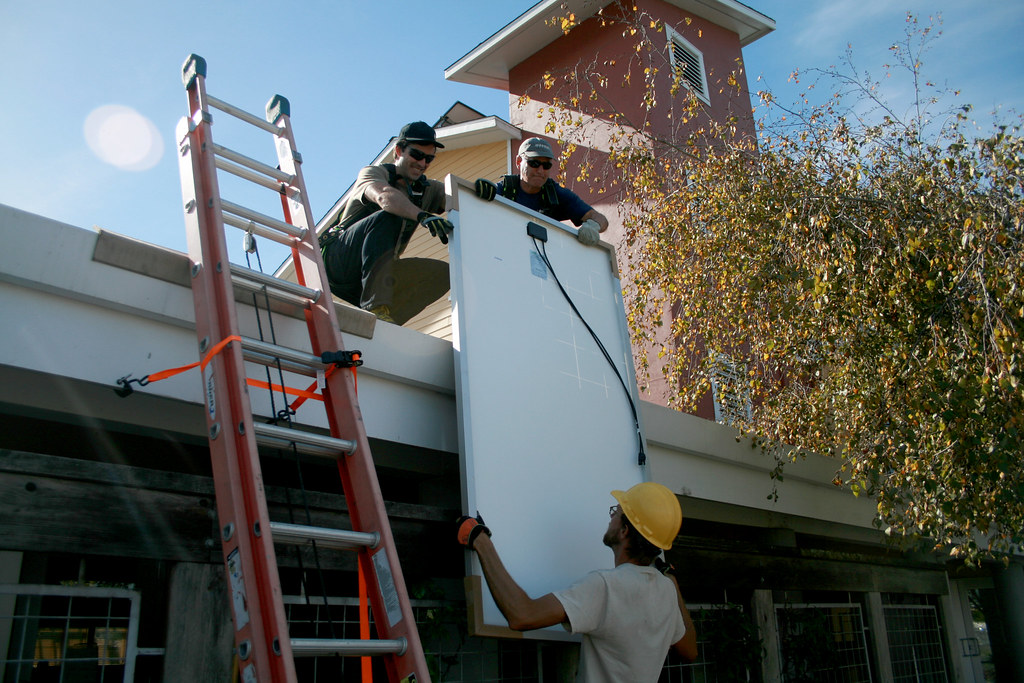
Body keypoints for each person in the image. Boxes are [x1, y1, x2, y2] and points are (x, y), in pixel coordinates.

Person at [457, 481, 698, 682]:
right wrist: (673, 584)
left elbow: (522, 615)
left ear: (625, 530)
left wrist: (480, 539)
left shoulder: (606, 586)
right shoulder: (666, 590)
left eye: (616, 512)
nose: (611, 517)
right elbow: (690, 651)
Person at [320, 121, 453, 325]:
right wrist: (422, 216)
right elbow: (384, 196)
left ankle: (387, 321)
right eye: (417, 155)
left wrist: (488, 191)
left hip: (372, 278)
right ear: (398, 150)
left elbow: (459, 199)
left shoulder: (427, 189)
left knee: (444, 274)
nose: (422, 163)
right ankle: (376, 306)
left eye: (429, 158)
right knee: (390, 214)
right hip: (340, 263)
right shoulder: (374, 173)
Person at [473, 137, 610, 246]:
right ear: (519, 161)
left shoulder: (555, 194)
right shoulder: (505, 190)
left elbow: (599, 218)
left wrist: (593, 226)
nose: (540, 170)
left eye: (546, 165)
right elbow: (475, 214)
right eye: (534, 163)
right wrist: (476, 195)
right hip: (506, 252)